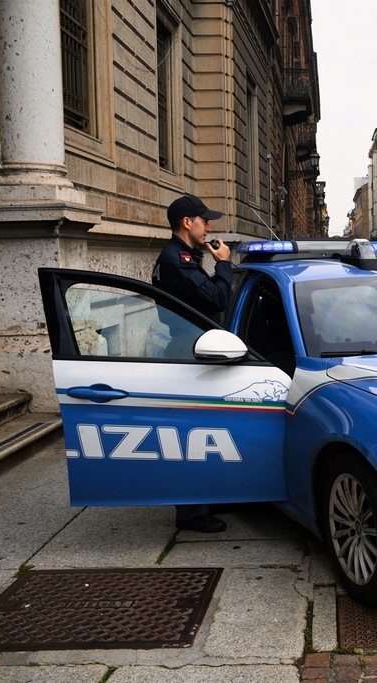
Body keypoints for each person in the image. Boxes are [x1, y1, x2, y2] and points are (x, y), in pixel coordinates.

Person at [152, 195, 233, 533]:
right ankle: (190, 512)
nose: (209, 227)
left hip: (194, 349)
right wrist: (224, 264)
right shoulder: (178, 259)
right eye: (204, 221)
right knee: (188, 433)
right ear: (188, 222)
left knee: (199, 431)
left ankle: (201, 497)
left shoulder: (184, 257)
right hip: (188, 353)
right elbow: (217, 299)